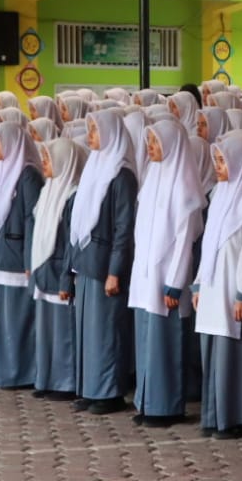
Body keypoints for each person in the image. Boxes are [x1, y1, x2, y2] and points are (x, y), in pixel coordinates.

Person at [129, 118, 207, 428]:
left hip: (166, 279)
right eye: (149, 141)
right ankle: (146, 402)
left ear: (172, 145)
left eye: (156, 142)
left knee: (164, 343)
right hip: (145, 277)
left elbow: (184, 241)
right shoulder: (152, 178)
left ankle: (167, 407)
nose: (150, 147)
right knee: (146, 341)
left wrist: (175, 283)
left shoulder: (184, 187)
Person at [194, 133, 242, 439]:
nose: (219, 167)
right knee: (211, 351)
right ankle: (213, 414)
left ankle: (233, 417)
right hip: (212, 287)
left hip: (231, 291)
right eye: (217, 161)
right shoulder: (219, 196)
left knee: (231, 353)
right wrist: (198, 284)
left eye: (223, 161)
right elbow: (208, 245)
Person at [68, 111, 139, 415]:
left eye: (95, 130)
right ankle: (90, 388)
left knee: (107, 332)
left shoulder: (122, 175)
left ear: (111, 133)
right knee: (88, 331)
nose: (90, 137)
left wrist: (115, 271)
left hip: (105, 267)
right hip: (87, 262)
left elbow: (124, 228)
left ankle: (109, 392)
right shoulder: (95, 168)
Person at [0, 123, 44, 390]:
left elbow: (32, 220)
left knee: (17, 320)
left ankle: (21, 373)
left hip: (16, 261)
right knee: (0, 320)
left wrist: (30, 261)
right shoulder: (0, 172)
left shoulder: (27, 174)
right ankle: (2, 371)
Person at [29, 138, 84, 400]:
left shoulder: (72, 195)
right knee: (46, 330)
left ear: (64, 161)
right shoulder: (47, 191)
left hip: (59, 270)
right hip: (44, 270)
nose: (44, 163)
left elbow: (72, 243)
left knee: (63, 331)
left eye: (49, 159)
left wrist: (66, 278)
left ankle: (66, 383)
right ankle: (47, 379)